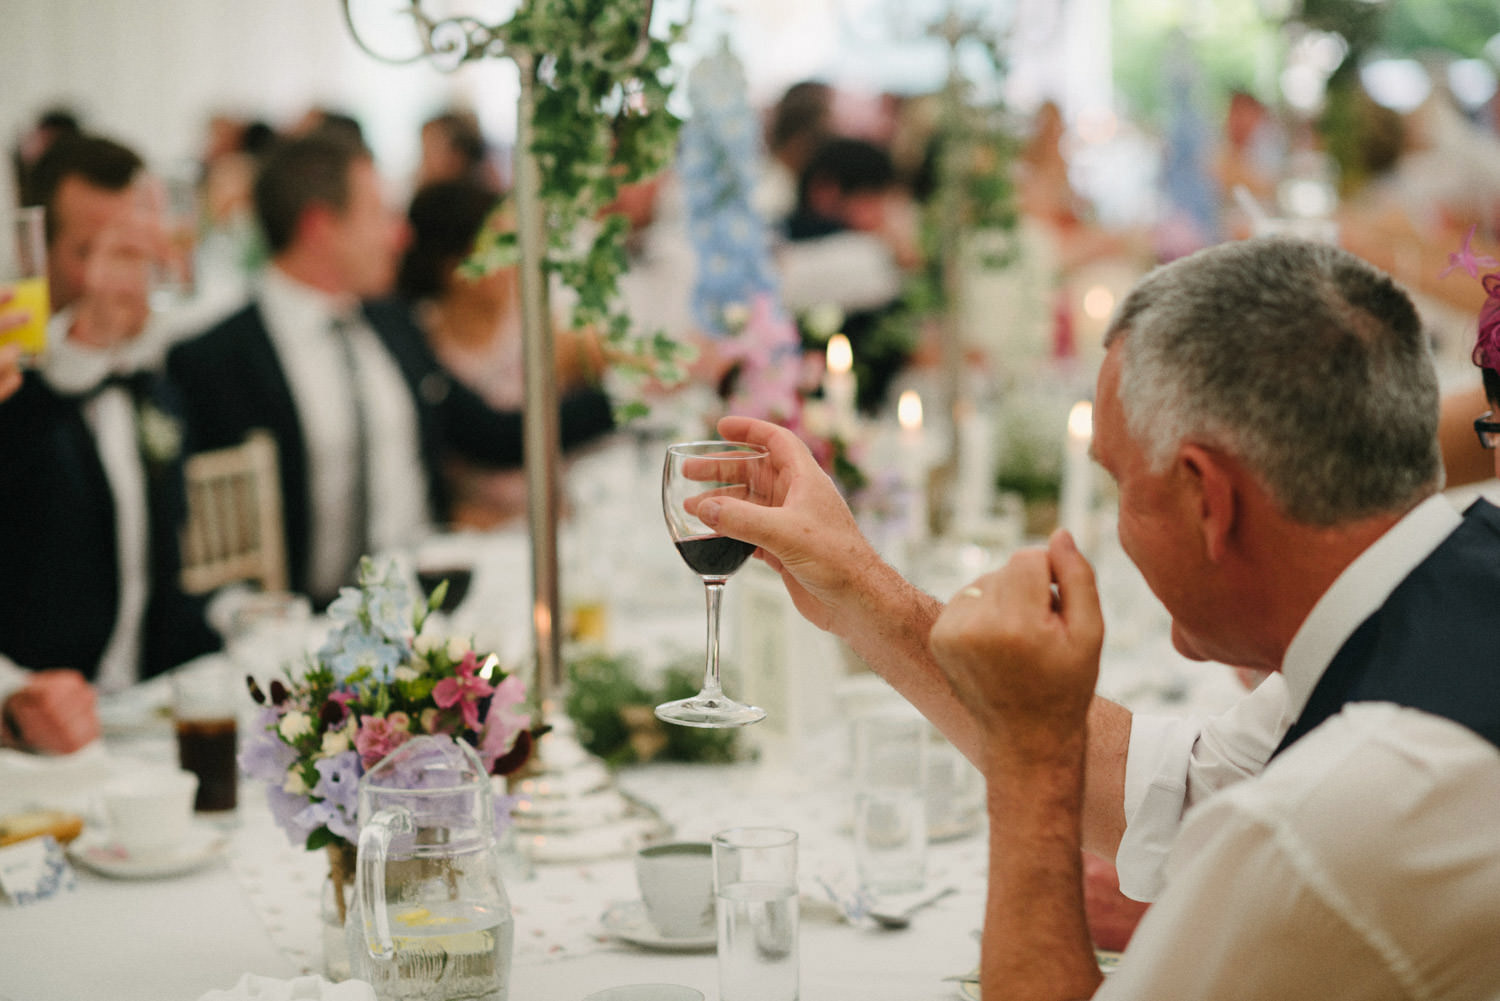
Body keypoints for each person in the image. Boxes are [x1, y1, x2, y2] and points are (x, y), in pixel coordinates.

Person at [697, 236, 1500, 999]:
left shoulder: (1340, 812)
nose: (1112, 524)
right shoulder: (1435, 597)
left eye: (1121, 484)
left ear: (1207, 498)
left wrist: (1030, 763)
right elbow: (1175, 785)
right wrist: (855, 587)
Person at [167, 132, 614, 607]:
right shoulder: (214, 360)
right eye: (380, 215)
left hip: (426, 606)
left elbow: (490, 434)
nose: (401, 236)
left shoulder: (391, 323)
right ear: (320, 227)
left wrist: (626, 401)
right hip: (302, 626)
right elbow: (195, 545)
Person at [0, 133, 221, 754]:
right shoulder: (15, 391)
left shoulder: (155, 385)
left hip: (142, 722)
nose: (112, 278)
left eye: (127, 250)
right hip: (34, 738)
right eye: (87, 252)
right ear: (34, 254)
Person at [397, 178, 605, 528]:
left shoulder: (541, 324)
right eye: (500, 247)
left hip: (557, 520)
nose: (516, 261)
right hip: (472, 529)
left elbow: (622, 370)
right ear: (453, 267)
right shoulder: (417, 341)